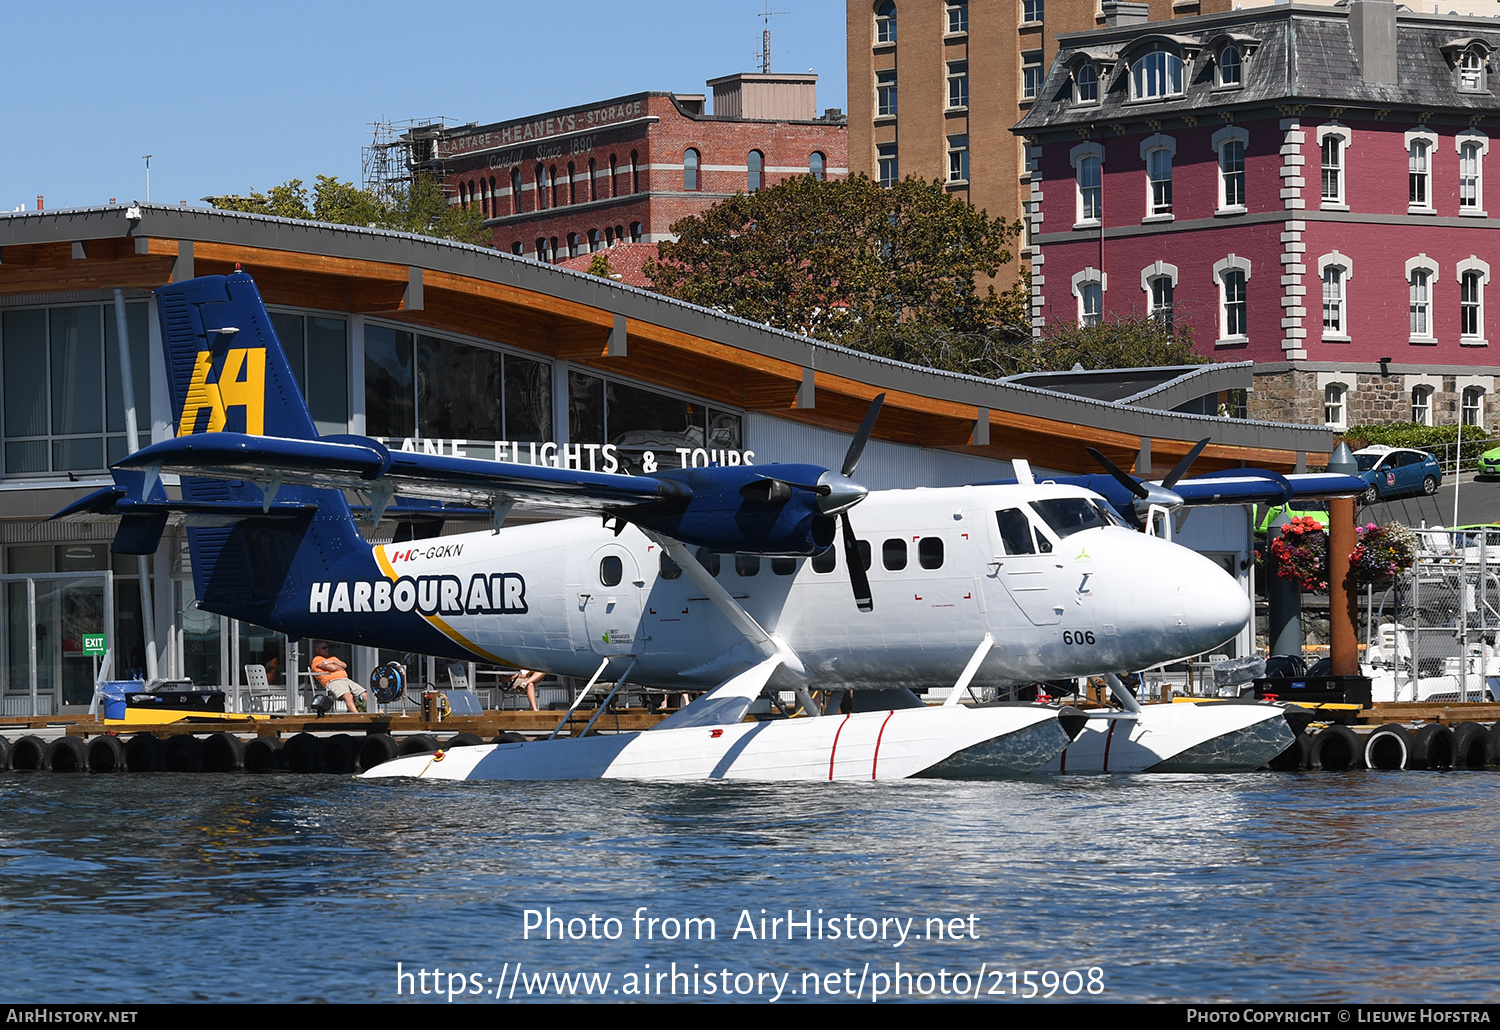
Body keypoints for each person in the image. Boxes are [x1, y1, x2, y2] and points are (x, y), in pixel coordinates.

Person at [312, 641, 365, 713]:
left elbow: (344, 665)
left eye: (327, 647)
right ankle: (358, 716)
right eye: (324, 648)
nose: (327, 649)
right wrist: (338, 666)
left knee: (364, 694)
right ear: (317, 649)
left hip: (345, 680)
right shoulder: (317, 659)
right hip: (332, 681)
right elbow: (332, 668)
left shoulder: (332, 657)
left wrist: (331, 662)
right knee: (348, 696)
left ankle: (379, 715)